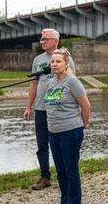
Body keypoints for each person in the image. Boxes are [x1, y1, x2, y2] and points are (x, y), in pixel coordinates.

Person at [23, 28, 75, 190]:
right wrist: (28, 107)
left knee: (61, 144)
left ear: (56, 41)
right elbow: (33, 84)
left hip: (59, 110)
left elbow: (71, 83)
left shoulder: (66, 59)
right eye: (41, 39)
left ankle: (65, 176)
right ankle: (45, 177)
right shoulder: (38, 60)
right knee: (42, 145)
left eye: (46, 39)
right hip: (40, 109)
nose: (42, 41)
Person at [45, 48, 90, 204]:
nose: (54, 64)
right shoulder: (50, 82)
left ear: (66, 64)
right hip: (53, 132)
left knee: (71, 170)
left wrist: (83, 124)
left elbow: (86, 106)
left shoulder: (72, 82)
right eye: (53, 62)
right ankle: (64, 203)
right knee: (60, 171)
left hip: (70, 131)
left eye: (58, 61)